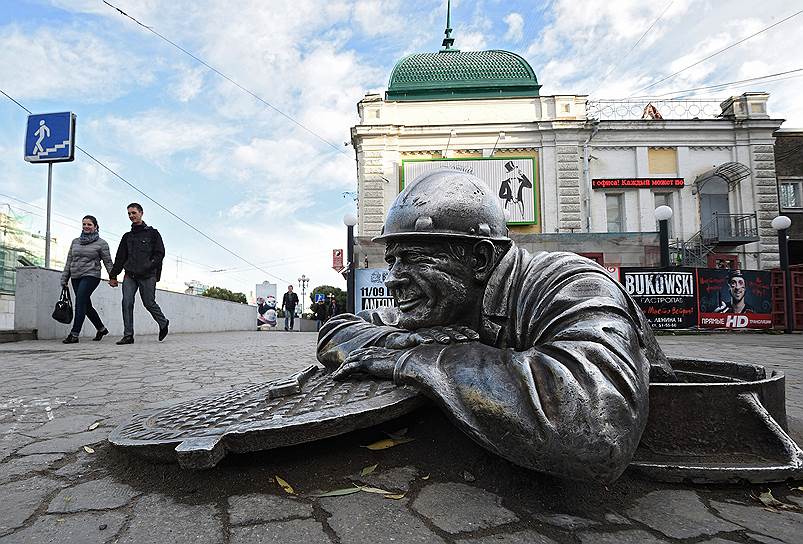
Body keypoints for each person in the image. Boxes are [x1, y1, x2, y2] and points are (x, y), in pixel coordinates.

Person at [317, 169, 673, 483]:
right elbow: (337, 330)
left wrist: (420, 359)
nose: (393, 279)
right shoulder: (439, 304)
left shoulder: (573, 283)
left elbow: (597, 430)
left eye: (413, 257)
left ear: (480, 259)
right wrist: (404, 340)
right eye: (392, 261)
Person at [108, 203, 169, 345]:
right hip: (130, 275)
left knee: (149, 303)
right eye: (129, 214)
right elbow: (120, 257)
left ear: (141, 213)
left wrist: (149, 266)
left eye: (133, 213)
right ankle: (128, 335)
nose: (131, 216)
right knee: (127, 302)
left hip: (148, 275)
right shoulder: (127, 237)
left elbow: (160, 254)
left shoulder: (153, 233)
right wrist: (113, 275)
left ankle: (163, 322)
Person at [60, 215, 114, 344]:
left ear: (95, 226)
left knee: (80, 301)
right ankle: (101, 329)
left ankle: (74, 334)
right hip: (75, 276)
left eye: (89, 224)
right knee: (86, 305)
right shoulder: (75, 242)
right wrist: (64, 278)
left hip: (91, 275)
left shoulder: (101, 243)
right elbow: (69, 260)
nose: (86, 227)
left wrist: (113, 277)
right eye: (84, 224)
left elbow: (108, 261)